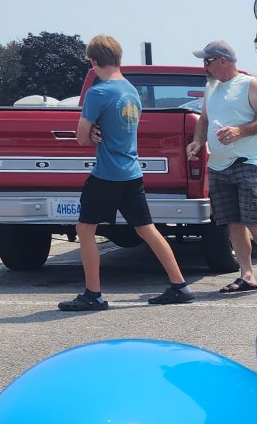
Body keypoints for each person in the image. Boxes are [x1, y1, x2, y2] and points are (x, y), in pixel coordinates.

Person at [58, 34, 195, 312]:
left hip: (106, 174)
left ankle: (93, 294)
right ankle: (180, 285)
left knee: (85, 229)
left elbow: (81, 137)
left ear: (93, 61)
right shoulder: (131, 90)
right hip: (131, 172)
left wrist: (91, 133)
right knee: (147, 229)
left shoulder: (98, 92)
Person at [188, 40, 257, 293]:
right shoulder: (211, 88)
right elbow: (204, 120)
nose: (204, 67)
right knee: (233, 223)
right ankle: (246, 275)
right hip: (218, 166)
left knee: (255, 221)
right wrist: (197, 142)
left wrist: (240, 131)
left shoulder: (250, 84)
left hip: (247, 162)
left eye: (207, 61)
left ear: (222, 60)